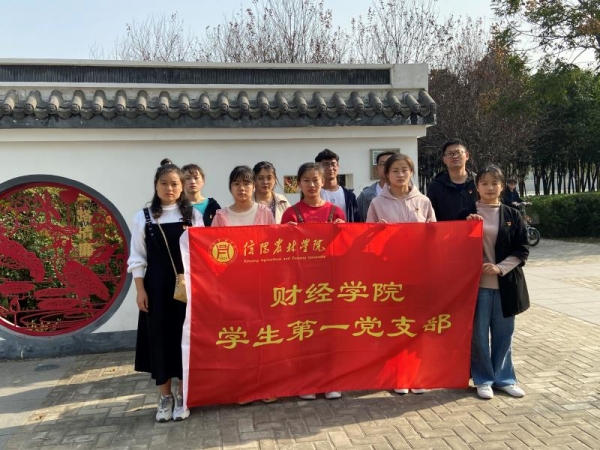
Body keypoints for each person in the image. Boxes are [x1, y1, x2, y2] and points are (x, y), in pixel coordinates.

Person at [127, 160, 203, 422]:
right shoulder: (144, 217)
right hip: (156, 289)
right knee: (160, 340)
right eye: (164, 184)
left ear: (182, 187)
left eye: (174, 184)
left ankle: (183, 395)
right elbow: (137, 258)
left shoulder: (192, 216)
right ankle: (165, 397)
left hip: (187, 289)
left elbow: (202, 254)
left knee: (185, 339)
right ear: (155, 186)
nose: (169, 188)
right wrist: (140, 290)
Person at [366, 153, 435, 395]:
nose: (400, 174)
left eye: (405, 169)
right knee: (394, 327)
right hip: (390, 275)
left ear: (411, 172)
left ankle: (417, 375)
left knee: (416, 325)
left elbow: (434, 237)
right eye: (395, 170)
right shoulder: (377, 203)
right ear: (386, 174)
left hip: (418, 274)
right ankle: (397, 376)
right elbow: (367, 241)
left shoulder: (423, 201)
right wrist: (377, 232)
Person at [459, 165, 530, 400]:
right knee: (479, 336)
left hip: (506, 285)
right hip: (477, 287)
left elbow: (522, 249)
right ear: (477, 186)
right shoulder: (466, 214)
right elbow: (453, 248)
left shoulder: (512, 214)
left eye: (494, 183)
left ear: (502, 186)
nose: (490, 187)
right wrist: (467, 228)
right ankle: (483, 379)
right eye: (484, 183)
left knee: (504, 334)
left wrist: (500, 267)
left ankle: (504, 378)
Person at [211, 165, 275, 404]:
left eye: (246, 183)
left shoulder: (265, 213)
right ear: (230, 187)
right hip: (232, 288)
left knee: (263, 336)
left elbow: (273, 247)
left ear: (253, 186)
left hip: (260, 285)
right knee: (239, 338)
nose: (242, 188)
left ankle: (266, 385)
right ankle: (243, 388)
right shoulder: (221, 216)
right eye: (236, 184)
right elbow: (213, 254)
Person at [281, 162, 345, 400]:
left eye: (315, 180)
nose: (311, 185)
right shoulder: (291, 214)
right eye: (306, 180)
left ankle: (331, 380)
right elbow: (281, 252)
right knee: (305, 333)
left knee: (330, 331)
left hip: (330, 282)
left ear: (323, 182)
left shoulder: (335, 212)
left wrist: (343, 231)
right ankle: (306, 382)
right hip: (302, 283)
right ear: (298, 183)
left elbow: (346, 248)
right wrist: (285, 233)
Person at [427, 138, 477, 221]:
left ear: (467, 155)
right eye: (450, 153)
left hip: (476, 229)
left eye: (458, 152)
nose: (455, 156)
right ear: (444, 159)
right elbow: (430, 216)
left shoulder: (478, 182)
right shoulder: (436, 186)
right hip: (446, 229)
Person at [314, 149, 361, 222]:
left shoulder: (349, 196)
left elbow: (357, 222)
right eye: (325, 164)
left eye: (333, 164)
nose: (330, 168)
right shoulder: (312, 194)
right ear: (318, 168)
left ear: (338, 166)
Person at [357, 150, 397, 221]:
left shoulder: (408, 195)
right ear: (377, 168)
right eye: (383, 164)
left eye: (390, 164)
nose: (387, 167)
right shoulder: (365, 195)